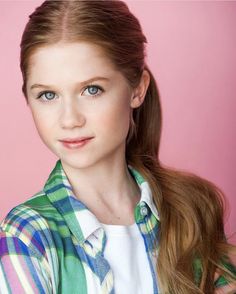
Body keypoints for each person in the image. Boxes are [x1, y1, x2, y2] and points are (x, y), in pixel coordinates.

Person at [0, 0, 236, 293]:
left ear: (137, 89)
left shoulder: (194, 210)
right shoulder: (27, 236)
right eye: (48, 95)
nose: (70, 119)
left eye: (91, 90)